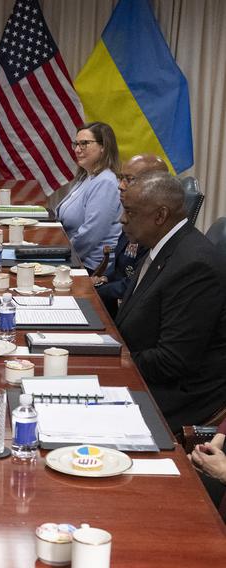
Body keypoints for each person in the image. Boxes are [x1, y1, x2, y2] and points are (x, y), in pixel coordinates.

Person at [116, 172, 226, 431]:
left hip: (174, 397)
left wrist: (110, 362)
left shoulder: (194, 265)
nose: (122, 219)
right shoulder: (163, 244)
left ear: (160, 216)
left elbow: (172, 361)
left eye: (130, 212)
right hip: (145, 373)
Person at [92, 154, 168, 317]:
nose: (120, 185)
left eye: (128, 179)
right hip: (114, 294)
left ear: (154, 186)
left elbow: (137, 282)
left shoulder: (154, 225)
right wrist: (105, 278)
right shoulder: (132, 213)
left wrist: (97, 290)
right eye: (121, 178)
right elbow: (120, 262)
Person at [56, 122, 121, 272]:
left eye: (84, 143)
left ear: (103, 147)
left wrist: (60, 256)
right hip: (72, 255)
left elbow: (90, 234)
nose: (77, 150)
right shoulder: (88, 177)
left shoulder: (106, 182)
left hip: (89, 265)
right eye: (76, 144)